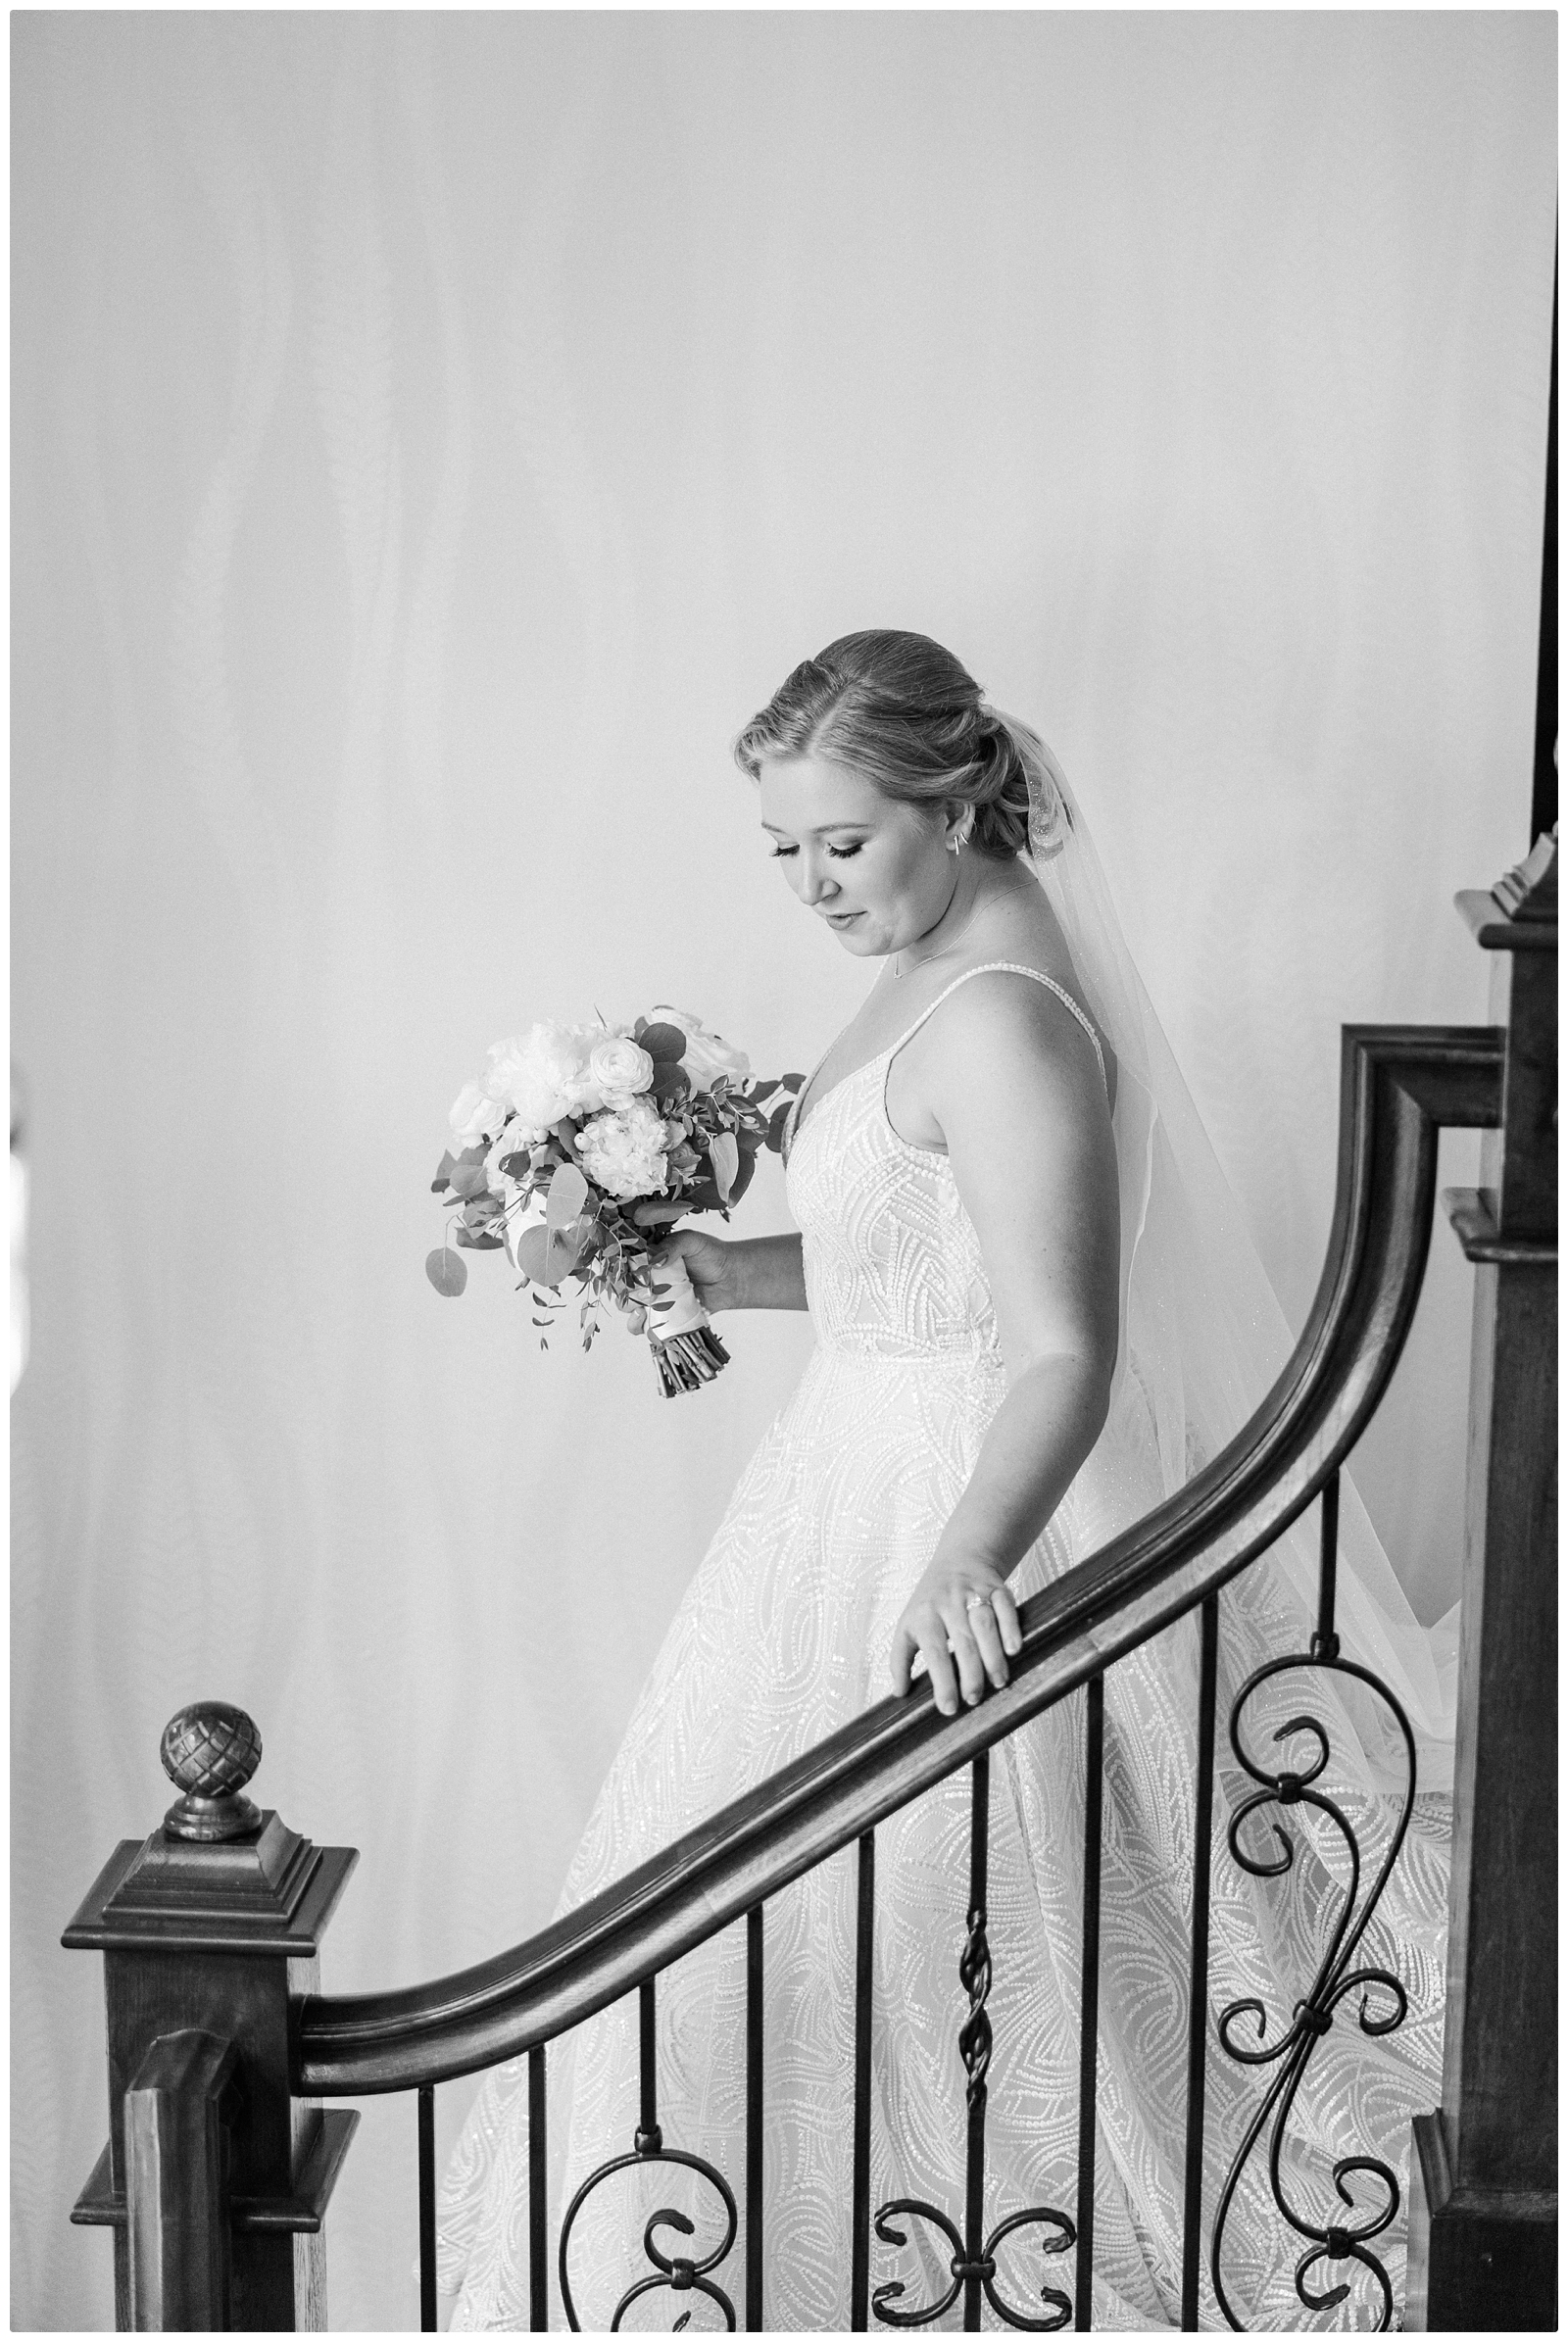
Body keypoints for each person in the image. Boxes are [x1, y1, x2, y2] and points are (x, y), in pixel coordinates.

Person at [438, 632, 1452, 2331]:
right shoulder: (938, 957)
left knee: (964, 1962)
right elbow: (906, 1263)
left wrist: (970, 1560)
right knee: (774, 1955)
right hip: (844, 1484)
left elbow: (1060, 1345)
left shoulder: (1002, 1019)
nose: (814, 884)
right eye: (786, 851)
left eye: (845, 841)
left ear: (960, 794)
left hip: (962, 1506)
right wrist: (710, 1266)